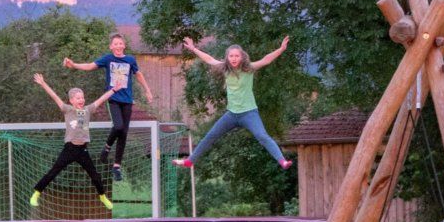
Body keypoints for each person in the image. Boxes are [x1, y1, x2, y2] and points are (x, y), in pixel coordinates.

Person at [172, 36, 293, 170]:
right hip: (231, 114)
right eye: (231, 56)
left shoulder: (249, 69)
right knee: (211, 136)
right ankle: (190, 161)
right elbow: (209, 59)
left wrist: (281, 49)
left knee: (262, 136)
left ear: (242, 57)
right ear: (227, 58)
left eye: (236, 56)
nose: (234, 58)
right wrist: (194, 48)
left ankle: (282, 161)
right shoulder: (225, 69)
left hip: (249, 113)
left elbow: (266, 60)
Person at [63, 33, 154, 181]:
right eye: (115, 44)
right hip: (113, 99)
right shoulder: (108, 59)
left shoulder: (130, 60)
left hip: (127, 100)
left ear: (124, 45)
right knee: (118, 126)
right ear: (111, 47)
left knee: (124, 133)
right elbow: (90, 66)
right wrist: (74, 65)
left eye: (120, 43)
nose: (118, 46)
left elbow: (139, 75)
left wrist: (147, 91)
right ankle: (107, 147)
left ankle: (117, 166)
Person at [29, 73, 116, 210]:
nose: (81, 100)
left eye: (82, 97)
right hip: (69, 149)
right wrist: (43, 83)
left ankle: (103, 197)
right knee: (53, 172)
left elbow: (101, 99)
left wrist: (114, 89)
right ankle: (36, 193)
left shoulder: (87, 110)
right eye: (78, 98)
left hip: (83, 150)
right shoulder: (68, 110)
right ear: (71, 101)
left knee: (95, 175)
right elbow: (54, 96)